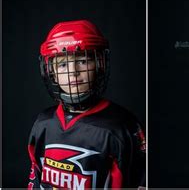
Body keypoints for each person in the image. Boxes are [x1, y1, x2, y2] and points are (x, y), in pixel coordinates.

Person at [28, 20, 146, 188]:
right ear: (51, 72)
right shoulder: (43, 124)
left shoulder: (120, 126)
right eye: (62, 64)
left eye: (83, 61)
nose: (73, 72)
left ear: (99, 64)